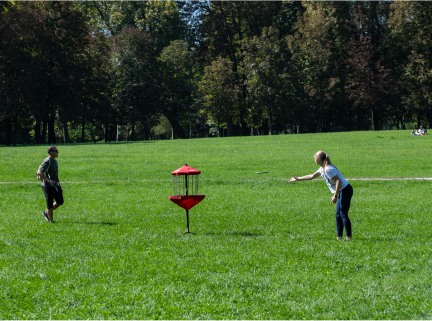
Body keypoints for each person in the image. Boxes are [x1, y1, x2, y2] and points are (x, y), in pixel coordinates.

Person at [288, 151, 354, 241]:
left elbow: (339, 181)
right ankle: (339, 237)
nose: (314, 160)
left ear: (318, 159)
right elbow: (311, 176)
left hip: (345, 190)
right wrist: (297, 178)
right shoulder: (322, 168)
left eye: (315, 158)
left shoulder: (328, 169)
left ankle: (349, 237)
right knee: (338, 215)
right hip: (342, 191)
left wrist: (335, 195)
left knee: (343, 214)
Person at [36, 146, 63, 223]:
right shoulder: (47, 161)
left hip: (55, 185)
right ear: (51, 152)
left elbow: (55, 175)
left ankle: (46, 213)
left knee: (60, 201)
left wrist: (58, 183)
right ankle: (51, 221)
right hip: (47, 186)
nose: (57, 152)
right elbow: (39, 172)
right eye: (56, 151)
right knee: (50, 204)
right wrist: (48, 180)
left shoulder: (55, 161)